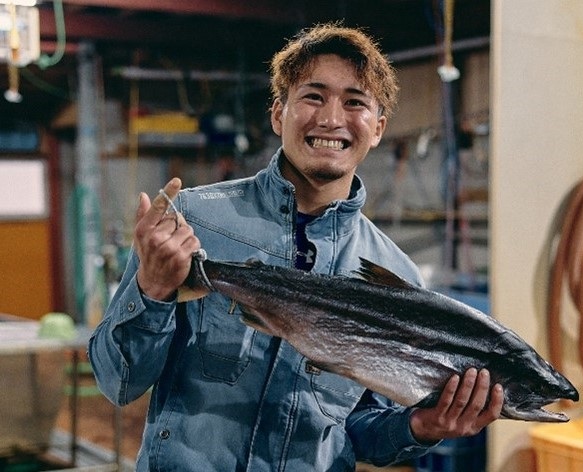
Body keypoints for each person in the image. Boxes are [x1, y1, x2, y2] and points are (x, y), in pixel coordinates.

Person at [88, 23, 503, 471]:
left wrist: (420, 427)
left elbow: (357, 430)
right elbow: (119, 381)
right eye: (313, 96)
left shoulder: (393, 274)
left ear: (378, 128)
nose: (331, 119)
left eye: (355, 102)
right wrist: (151, 289)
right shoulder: (193, 220)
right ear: (277, 114)